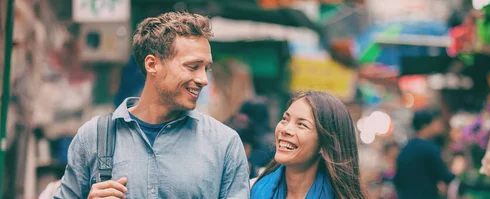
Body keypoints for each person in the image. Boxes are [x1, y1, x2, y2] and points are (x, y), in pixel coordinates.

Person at [54, 12, 250, 198]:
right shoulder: (93, 137)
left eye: (206, 68)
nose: (203, 79)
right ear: (152, 64)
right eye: (193, 67)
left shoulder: (224, 144)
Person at [250, 91, 369, 199]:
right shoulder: (250, 190)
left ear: (324, 144)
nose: (285, 129)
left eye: (301, 124)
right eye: (285, 119)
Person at [394, 110, 455, 199]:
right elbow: (444, 175)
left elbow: (398, 179)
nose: (439, 125)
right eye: (435, 122)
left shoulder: (406, 148)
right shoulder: (429, 148)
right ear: (425, 125)